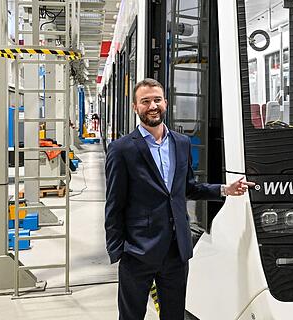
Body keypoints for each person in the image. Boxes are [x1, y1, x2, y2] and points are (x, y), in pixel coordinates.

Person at [105, 78, 254, 320]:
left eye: (157, 100)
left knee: (174, 315)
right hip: (137, 251)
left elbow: (188, 188)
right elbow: (114, 204)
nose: (152, 106)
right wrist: (118, 250)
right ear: (135, 107)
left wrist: (224, 189)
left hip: (176, 250)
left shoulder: (181, 143)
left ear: (165, 103)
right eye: (145, 101)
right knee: (131, 316)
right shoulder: (122, 149)